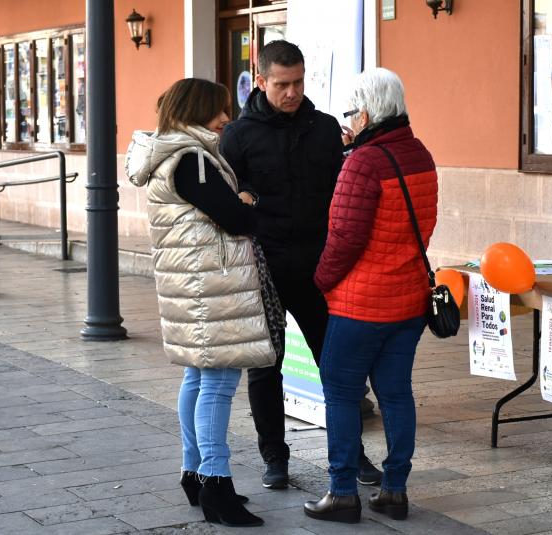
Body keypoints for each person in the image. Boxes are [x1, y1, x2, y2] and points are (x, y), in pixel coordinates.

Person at [220, 39, 383, 490]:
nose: (291, 92)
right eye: (281, 85)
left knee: (338, 367)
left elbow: (343, 197)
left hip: (319, 269)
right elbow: (228, 205)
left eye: (298, 82)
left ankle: (353, 455)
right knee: (265, 366)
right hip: (264, 271)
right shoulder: (238, 136)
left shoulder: (326, 129)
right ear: (261, 81)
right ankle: (275, 456)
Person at [125, 78, 280, 528]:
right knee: (218, 383)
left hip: (195, 287)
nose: (226, 119)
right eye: (218, 111)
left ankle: (194, 472)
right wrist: (248, 201)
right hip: (212, 289)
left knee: (199, 378)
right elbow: (235, 218)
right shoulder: (191, 160)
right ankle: (216, 484)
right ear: (195, 111)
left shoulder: (168, 154)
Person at [303, 68, 438, 524]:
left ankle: (342, 491)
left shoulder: (362, 162)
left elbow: (343, 238)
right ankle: (394, 488)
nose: (347, 122)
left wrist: (320, 281)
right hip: (408, 300)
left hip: (361, 304)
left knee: (340, 392)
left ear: (364, 112)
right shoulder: (420, 155)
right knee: (396, 393)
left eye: (349, 113)